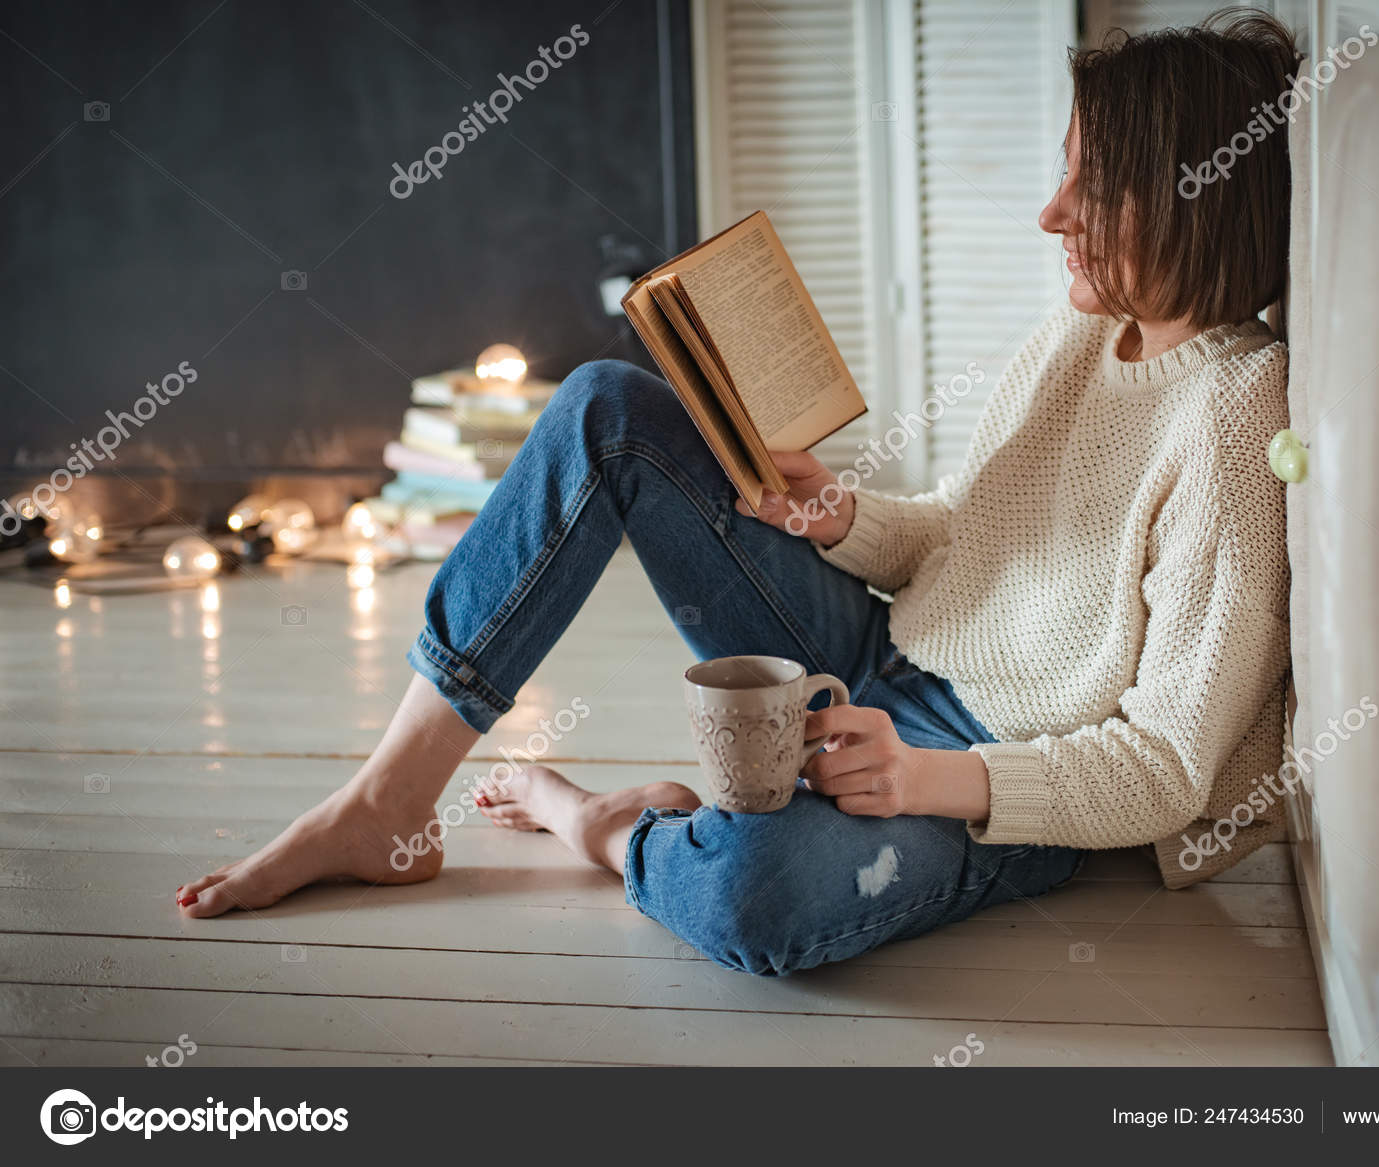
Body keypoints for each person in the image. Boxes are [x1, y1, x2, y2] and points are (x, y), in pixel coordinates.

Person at [178, 12, 1298, 977]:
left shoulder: (1235, 418)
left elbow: (1163, 768)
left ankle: (605, 825)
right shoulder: (1088, 327)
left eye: (1091, 187)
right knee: (608, 405)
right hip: (877, 655)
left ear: (1199, 197)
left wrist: (923, 775)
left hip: (1002, 780)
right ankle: (386, 804)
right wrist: (840, 518)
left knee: (750, 901)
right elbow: (971, 530)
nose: (1051, 215)